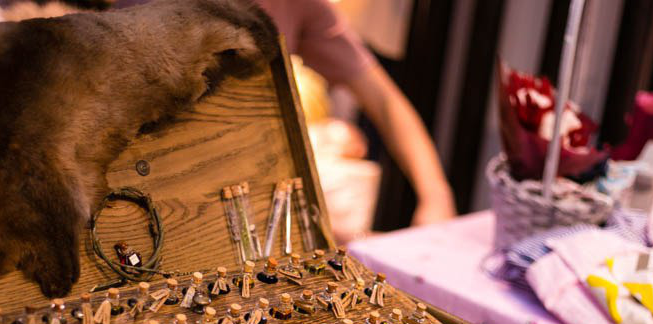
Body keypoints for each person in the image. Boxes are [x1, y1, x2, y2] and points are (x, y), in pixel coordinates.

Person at [116, 0, 457, 227]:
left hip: (241, 203)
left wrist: (435, 195)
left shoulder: (299, 5)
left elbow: (384, 101)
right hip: (149, 193)